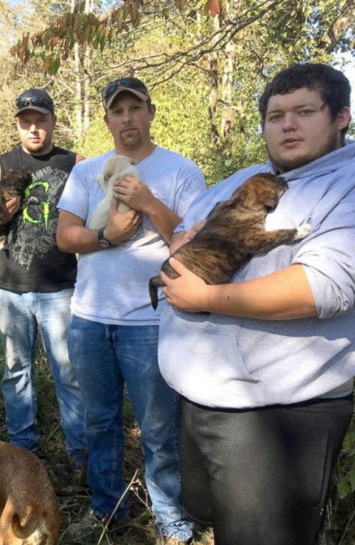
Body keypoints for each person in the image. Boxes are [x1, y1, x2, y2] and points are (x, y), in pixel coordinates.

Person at [158, 63, 354, 545]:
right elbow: (188, 231)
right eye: (275, 115)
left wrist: (204, 297)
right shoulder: (247, 177)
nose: (287, 125)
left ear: (341, 117)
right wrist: (183, 239)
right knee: (221, 524)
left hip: (278, 415)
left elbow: (322, 287)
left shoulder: (346, 183)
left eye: (304, 111)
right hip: (204, 394)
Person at [56, 77, 206, 544]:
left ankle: (171, 519)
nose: (127, 119)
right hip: (90, 319)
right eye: (117, 112)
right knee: (98, 422)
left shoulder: (181, 171)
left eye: (135, 109)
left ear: (150, 113)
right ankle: (107, 509)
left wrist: (147, 202)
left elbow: (196, 242)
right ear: (107, 120)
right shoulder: (87, 172)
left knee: (159, 427)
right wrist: (108, 237)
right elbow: (65, 237)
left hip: (151, 320)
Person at [0, 88, 87, 473]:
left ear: (52, 121)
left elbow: (97, 214)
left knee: (68, 371)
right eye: (26, 122)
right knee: (16, 372)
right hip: (11, 287)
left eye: (41, 120)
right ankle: (22, 453)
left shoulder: (76, 163)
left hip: (60, 286)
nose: (34, 128)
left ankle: (80, 454)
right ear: (17, 124)